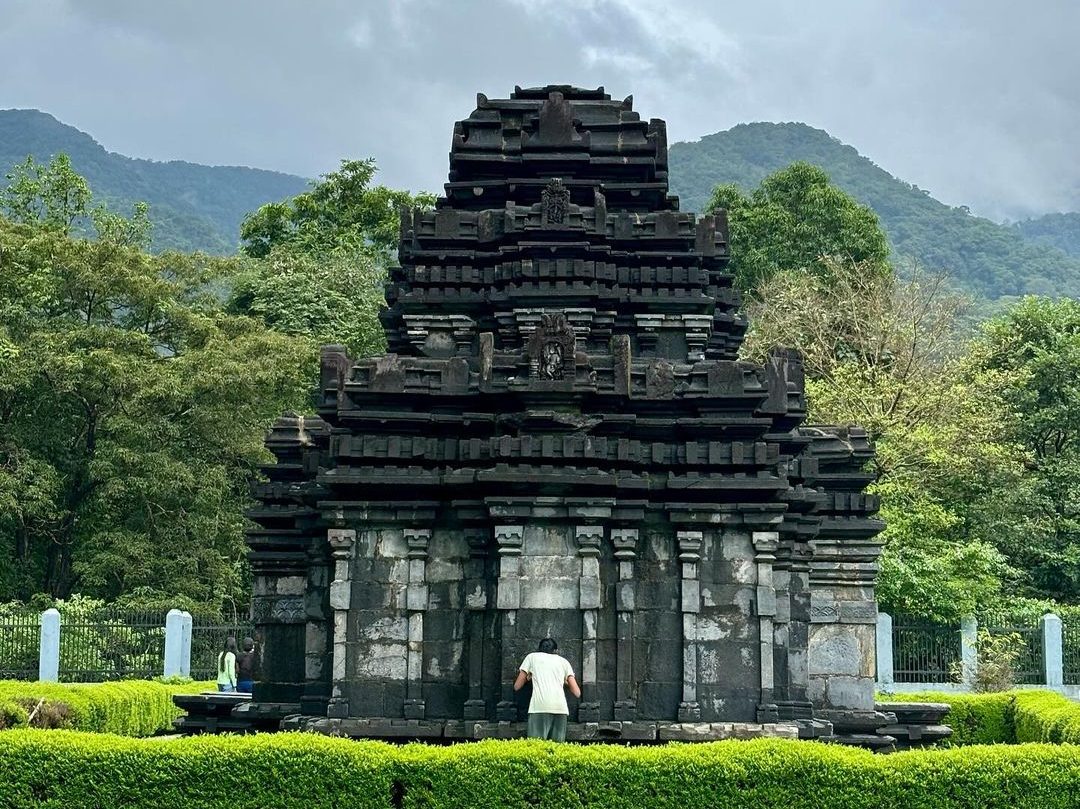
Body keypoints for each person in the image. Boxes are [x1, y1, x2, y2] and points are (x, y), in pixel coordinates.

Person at [513, 637, 581, 742]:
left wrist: (529, 677)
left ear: (539, 649)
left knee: (536, 750)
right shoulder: (564, 662)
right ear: (556, 651)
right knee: (556, 751)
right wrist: (562, 680)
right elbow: (577, 692)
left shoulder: (532, 657)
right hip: (560, 709)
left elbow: (517, 686)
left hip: (539, 708)